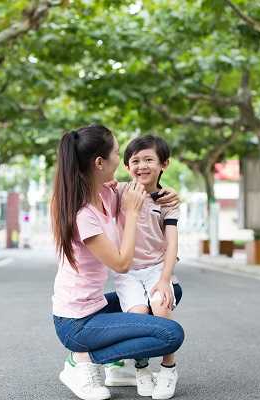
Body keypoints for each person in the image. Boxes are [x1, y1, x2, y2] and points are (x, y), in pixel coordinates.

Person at [51, 125, 184, 400]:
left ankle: (118, 368)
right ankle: (81, 360)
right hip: (77, 323)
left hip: (96, 306)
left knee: (170, 292)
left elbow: (145, 191)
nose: (121, 159)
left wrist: (168, 193)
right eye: (116, 153)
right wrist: (132, 213)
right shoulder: (83, 215)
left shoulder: (104, 193)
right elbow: (122, 264)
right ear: (100, 163)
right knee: (171, 334)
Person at [104, 135, 180, 399]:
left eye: (149, 159)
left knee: (161, 306)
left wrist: (165, 279)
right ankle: (142, 368)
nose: (142, 166)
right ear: (127, 166)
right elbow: (97, 188)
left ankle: (169, 368)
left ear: (164, 164)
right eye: (135, 161)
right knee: (137, 317)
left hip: (157, 268)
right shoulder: (119, 191)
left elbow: (172, 243)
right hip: (127, 272)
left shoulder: (167, 201)